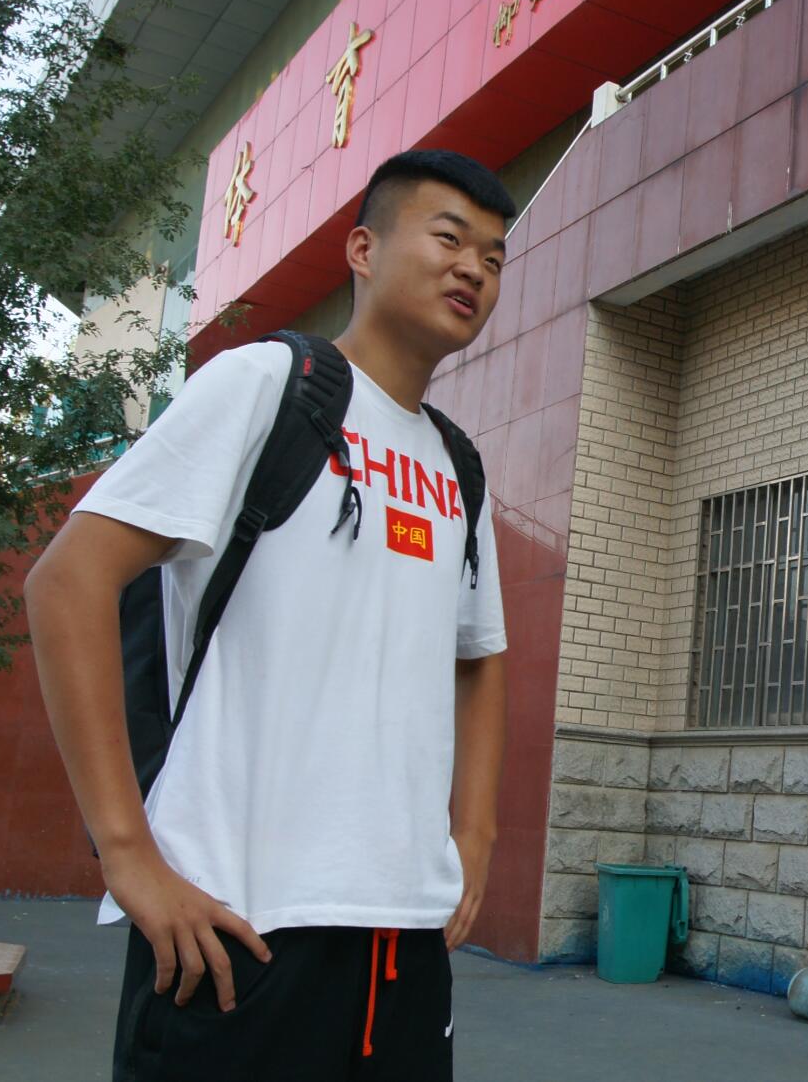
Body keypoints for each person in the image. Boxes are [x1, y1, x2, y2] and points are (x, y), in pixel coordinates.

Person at [27, 149, 517, 1081]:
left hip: (402, 938)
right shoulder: (268, 384)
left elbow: (480, 652)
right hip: (237, 927)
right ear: (362, 249)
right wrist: (125, 853)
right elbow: (66, 583)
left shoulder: (460, 467)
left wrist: (476, 833)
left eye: (494, 259)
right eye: (449, 238)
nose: (473, 270)